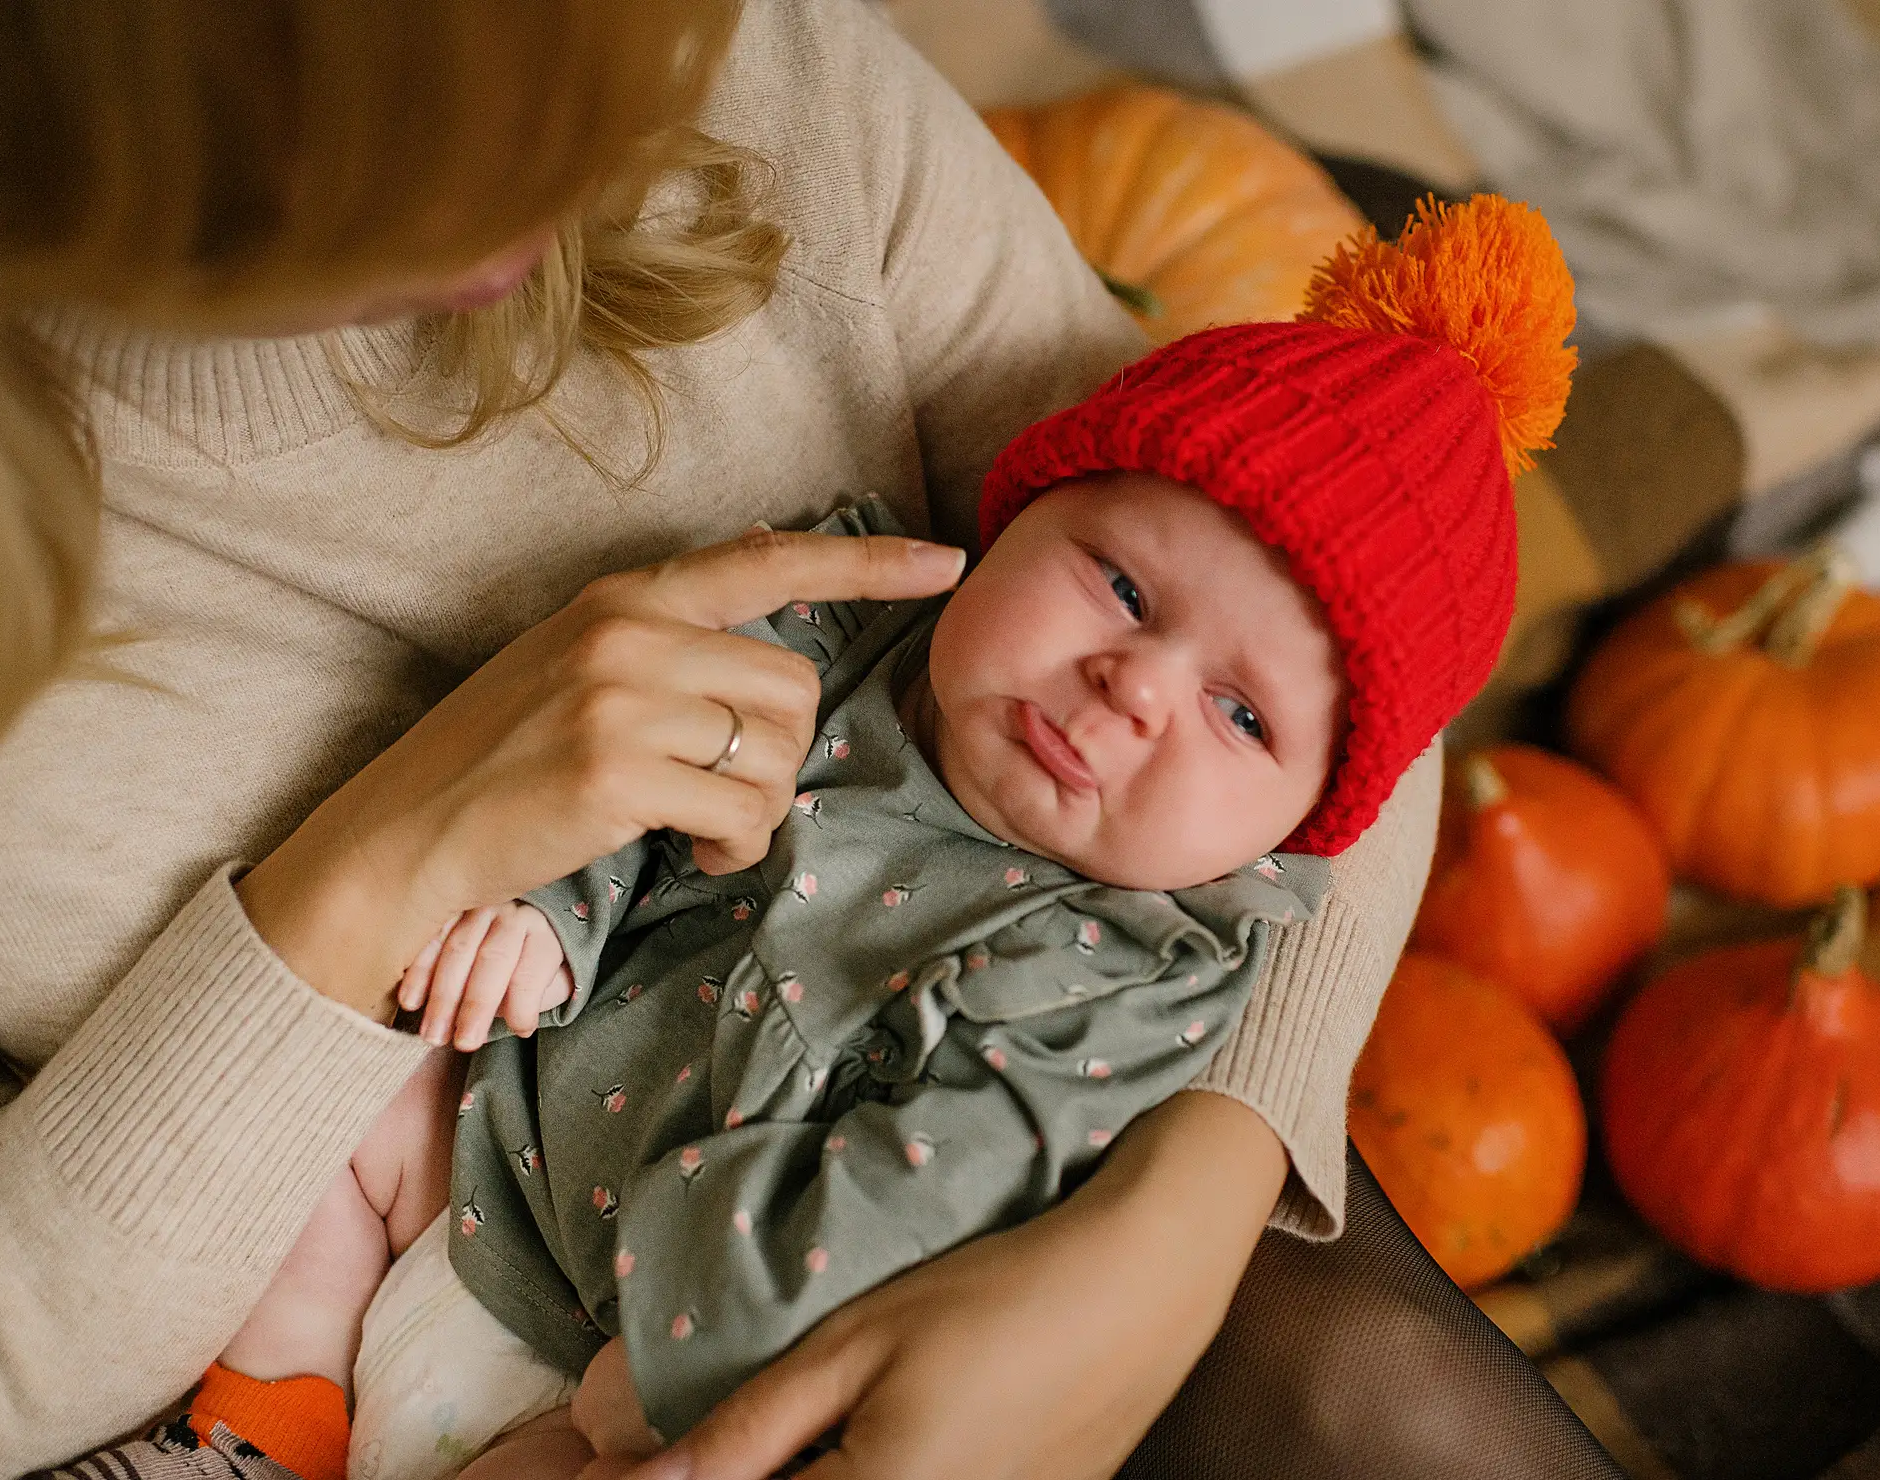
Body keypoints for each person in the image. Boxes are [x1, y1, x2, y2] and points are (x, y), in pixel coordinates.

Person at [0, 3, 1459, 1478]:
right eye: (440, 118)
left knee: (1366, 1386)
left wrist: (1176, 1222)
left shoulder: (761, 72)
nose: (569, 172)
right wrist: (373, 876)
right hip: (394, 1250)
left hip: (892, 1239)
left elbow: (1349, 611)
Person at [96, 196, 1571, 1480]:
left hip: (650, 1366)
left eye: (1240, 719)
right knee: (346, 1110)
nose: (1135, 690)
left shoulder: (1132, 966)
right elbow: (610, 759)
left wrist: (694, 1359)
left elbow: (923, 1189)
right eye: (1122, 588)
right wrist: (546, 912)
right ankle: (252, 1429)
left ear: (1306, 828)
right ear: (1019, 516)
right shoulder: (841, 628)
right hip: (493, 1144)